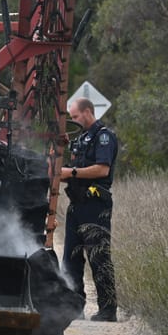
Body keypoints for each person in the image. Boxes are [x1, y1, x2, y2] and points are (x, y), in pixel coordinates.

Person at [59, 97, 119, 322]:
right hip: (76, 204)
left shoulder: (103, 136)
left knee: (98, 256)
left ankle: (108, 310)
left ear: (87, 112)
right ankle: (74, 308)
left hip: (95, 204)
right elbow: (74, 168)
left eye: (75, 116)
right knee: (71, 258)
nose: (74, 121)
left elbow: (102, 170)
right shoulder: (80, 140)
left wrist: (71, 173)